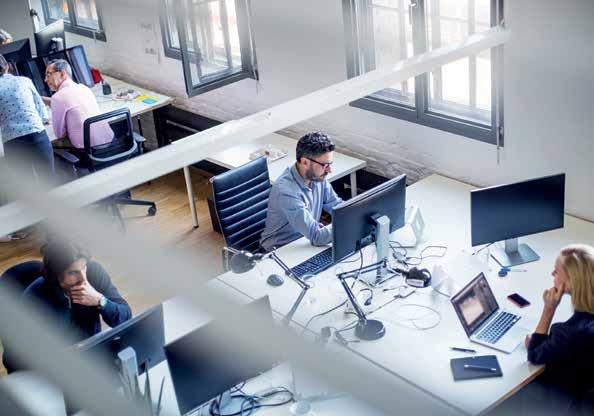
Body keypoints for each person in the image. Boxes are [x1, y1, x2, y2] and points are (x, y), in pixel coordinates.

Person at [22, 239, 132, 342]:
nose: (83, 279)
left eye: (84, 267)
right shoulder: (34, 297)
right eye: (73, 273)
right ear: (55, 273)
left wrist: (100, 301)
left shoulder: (94, 272)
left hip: (94, 347)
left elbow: (126, 318)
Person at [260, 132, 343, 252]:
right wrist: (349, 225)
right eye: (325, 165)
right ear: (304, 162)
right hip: (279, 251)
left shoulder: (317, 177)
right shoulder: (286, 192)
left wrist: (356, 215)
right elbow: (317, 236)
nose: (329, 170)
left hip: (303, 242)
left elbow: (337, 207)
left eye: (330, 164)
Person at [43, 59, 113, 150]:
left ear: (62, 74)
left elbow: (59, 134)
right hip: (109, 141)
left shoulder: (58, 98)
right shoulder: (84, 88)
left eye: (48, 75)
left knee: (49, 146)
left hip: (88, 150)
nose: (45, 80)